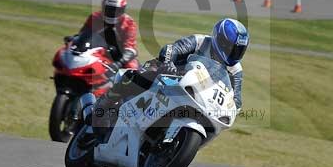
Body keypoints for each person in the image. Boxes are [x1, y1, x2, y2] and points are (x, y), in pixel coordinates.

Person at [91, 18, 249, 129]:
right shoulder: (200, 41)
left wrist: (231, 108)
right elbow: (173, 49)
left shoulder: (235, 70)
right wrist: (168, 64)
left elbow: (237, 100)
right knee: (140, 75)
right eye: (231, 48)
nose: (234, 53)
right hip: (170, 75)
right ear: (220, 40)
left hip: (198, 96)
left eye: (239, 50)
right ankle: (103, 105)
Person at [70, 0, 138, 73]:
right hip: (96, 53)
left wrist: (119, 63)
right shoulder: (94, 17)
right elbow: (83, 35)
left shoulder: (129, 23)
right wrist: (74, 39)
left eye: (115, 10)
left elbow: (130, 47)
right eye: (109, 9)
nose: (112, 12)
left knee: (132, 69)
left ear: (122, 10)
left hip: (119, 56)